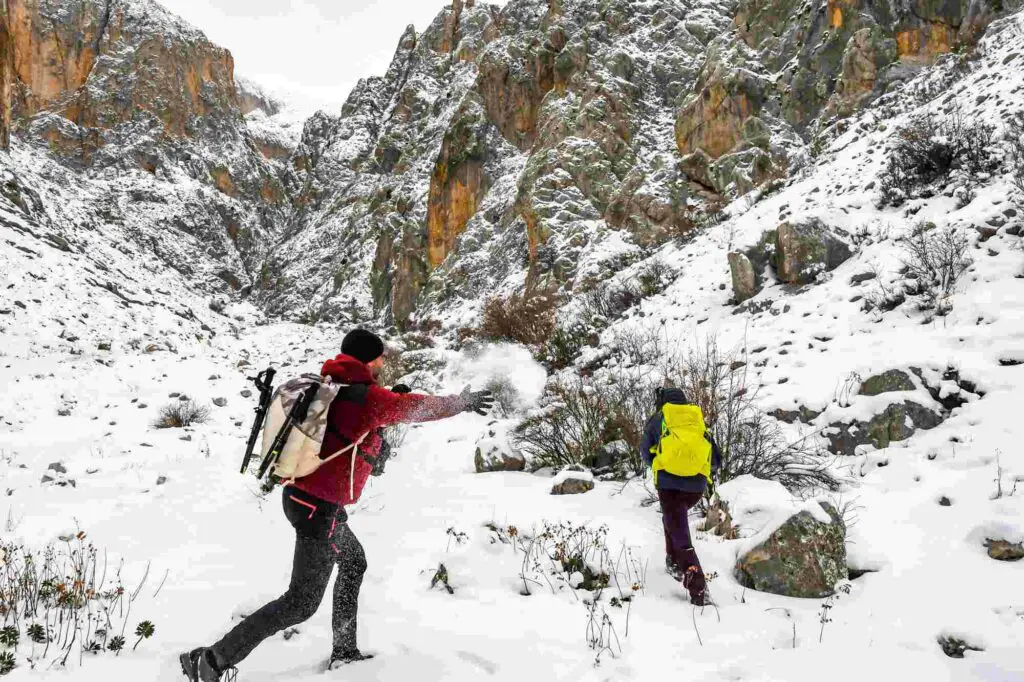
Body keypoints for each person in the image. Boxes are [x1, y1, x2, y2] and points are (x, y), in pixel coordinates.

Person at [181, 330, 494, 681]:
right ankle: (210, 660)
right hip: (318, 511)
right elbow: (419, 409)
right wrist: (460, 402)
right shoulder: (368, 397)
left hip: (303, 499)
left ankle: (344, 651)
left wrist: (388, 404)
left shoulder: (332, 384)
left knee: (353, 562)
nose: (381, 363)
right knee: (300, 603)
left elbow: (354, 428)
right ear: (371, 359)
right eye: (379, 358)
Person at [639, 387, 721, 607]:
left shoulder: (659, 419)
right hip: (696, 487)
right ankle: (673, 562)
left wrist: (662, 461)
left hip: (669, 485)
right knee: (672, 521)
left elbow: (645, 454)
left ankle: (699, 591)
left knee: (681, 537)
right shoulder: (696, 421)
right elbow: (716, 460)